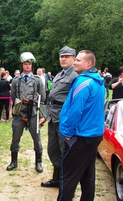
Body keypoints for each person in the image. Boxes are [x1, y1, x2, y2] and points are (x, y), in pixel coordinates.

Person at [57, 50, 105, 201]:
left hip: (80, 137)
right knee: (87, 176)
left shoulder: (83, 82)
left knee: (68, 177)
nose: (75, 62)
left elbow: (75, 110)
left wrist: (67, 133)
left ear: (88, 63)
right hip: (94, 136)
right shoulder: (98, 81)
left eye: (78, 60)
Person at [39, 46, 78, 188]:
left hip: (65, 119)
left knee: (65, 151)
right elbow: (51, 98)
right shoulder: (60, 74)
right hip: (53, 117)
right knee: (53, 149)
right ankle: (57, 179)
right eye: (62, 56)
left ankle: (65, 182)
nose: (63, 59)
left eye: (67, 56)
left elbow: (75, 101)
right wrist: (45, 116)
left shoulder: (75, 76)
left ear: (74, 59)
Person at [7, 52, 45, 173]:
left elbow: (42, 97)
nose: (28, 66)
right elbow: (13, 96)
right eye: (25, 64)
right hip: (19, 112)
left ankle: (38, 162)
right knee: (15, 137)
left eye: (29, 64)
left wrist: (41, 115)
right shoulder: (16, 80)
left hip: (33, 112)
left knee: (36, 137)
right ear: (22, 65)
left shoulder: (37, 80)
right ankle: (14, 161)